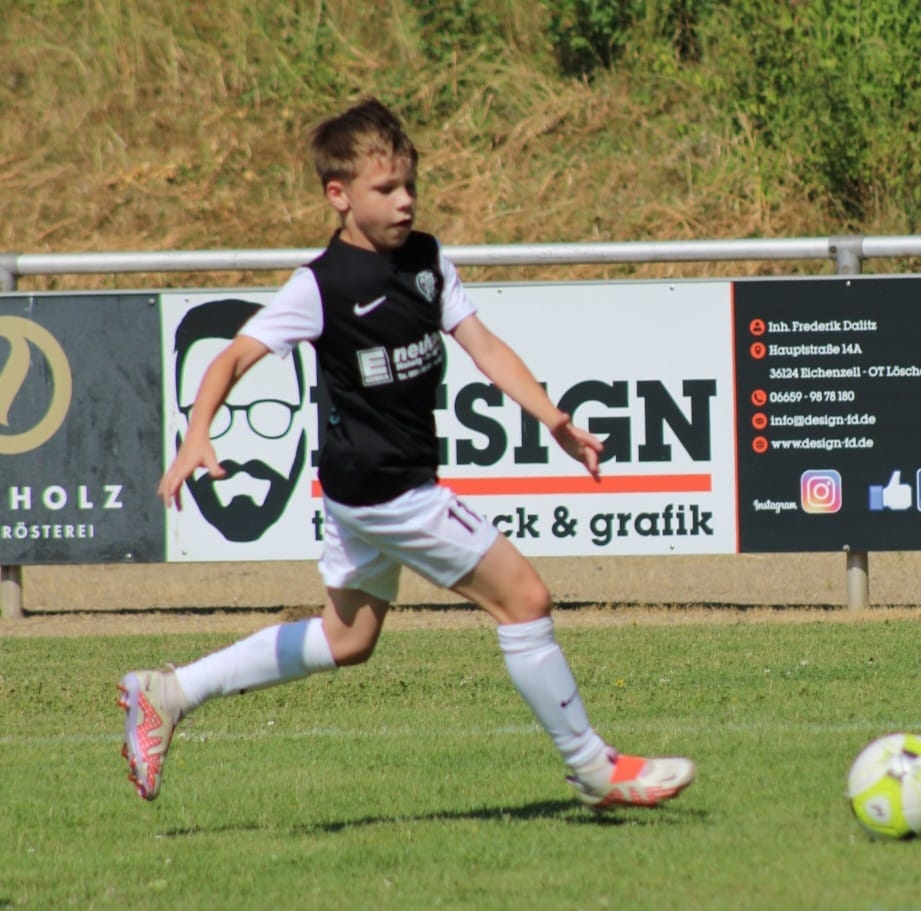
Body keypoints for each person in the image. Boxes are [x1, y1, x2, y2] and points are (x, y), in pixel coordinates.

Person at [118, 97, 695, 810]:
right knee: (525, 599)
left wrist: (552, 418)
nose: (405, 201)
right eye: (386, 188)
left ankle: (170, 691)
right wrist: (198, 430)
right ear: (338, 195)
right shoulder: (320, 285)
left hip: (362, 492)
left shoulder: (426, 260)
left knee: (348, 638)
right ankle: (593, 767)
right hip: (388, 493)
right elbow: (233, 355)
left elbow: (484, 346)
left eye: (410, 184)